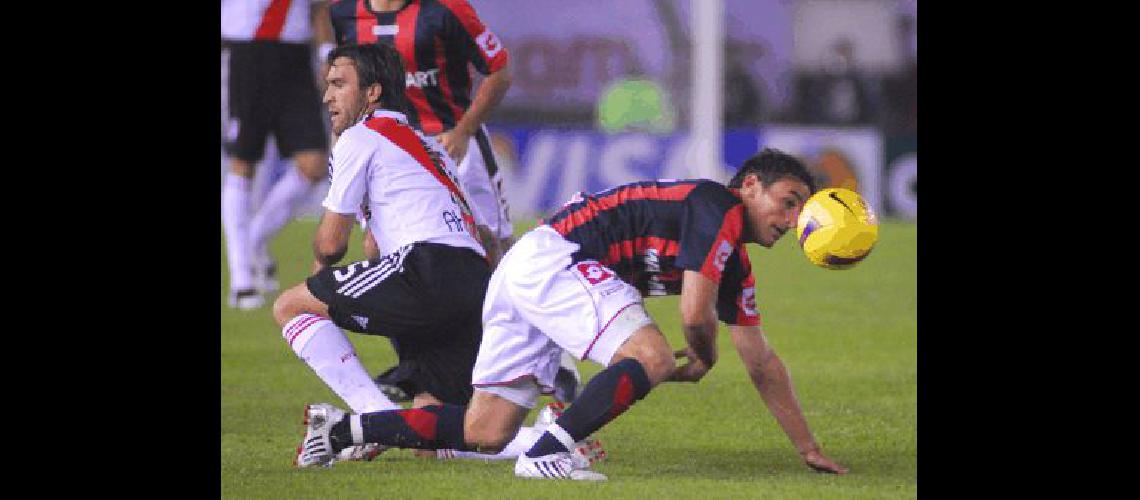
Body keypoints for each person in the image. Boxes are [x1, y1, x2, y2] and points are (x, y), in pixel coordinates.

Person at [294, 148, 851, 480]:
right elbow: (695, 312)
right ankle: (549, 453)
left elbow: (761, 361)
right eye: (789, 199)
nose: (794, 217)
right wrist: (701, 357)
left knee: (483, 430)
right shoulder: (717, 207)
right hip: (558, 259)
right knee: (651, 355)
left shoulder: (736, 266)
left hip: (527, 271)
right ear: (749, 186)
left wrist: (807, 447)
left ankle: (341, 430)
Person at [275, 43, 598, 465]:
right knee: (439, 429)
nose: (327, 97)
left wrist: (320, 281)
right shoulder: (429, 146)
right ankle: (545, 444)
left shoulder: (360, 137)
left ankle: (373, 419)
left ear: (372, 93)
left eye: (338, 84)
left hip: (425, 268)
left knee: (291, 307)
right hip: (471, 281)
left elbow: (332, 243)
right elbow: (461, 232)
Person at [323, 0, 581, 409]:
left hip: (453, 146)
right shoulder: (344, 15)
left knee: (497, 255)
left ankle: (552, 357)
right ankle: (424, 373)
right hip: (390, 152)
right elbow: (346, 84)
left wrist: (464, 130)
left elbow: (499, 70)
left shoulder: (447, 10)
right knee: (384, 252)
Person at [221, 0, 334, 309]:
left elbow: (319, 7)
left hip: (295, 56)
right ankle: (242, 278)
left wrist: (326, 54)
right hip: (245, 53)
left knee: (314, 164)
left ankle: (254, 238)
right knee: (242, 162)